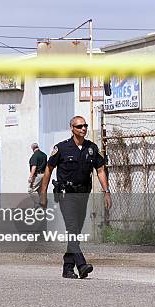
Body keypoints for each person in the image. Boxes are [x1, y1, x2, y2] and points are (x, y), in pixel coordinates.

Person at [40, 116, 112, 279]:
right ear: (72, 128)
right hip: (66, 194)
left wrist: (106, 191)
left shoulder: (91, 148)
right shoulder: (62, 148)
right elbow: (49, 169)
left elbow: (100, 170)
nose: (83, 129)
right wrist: (43, 193)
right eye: (79, 126)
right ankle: (81, 264)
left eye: (85, 126)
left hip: (83, 194)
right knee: (72, 228)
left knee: (76, 230)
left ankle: (67, 267)